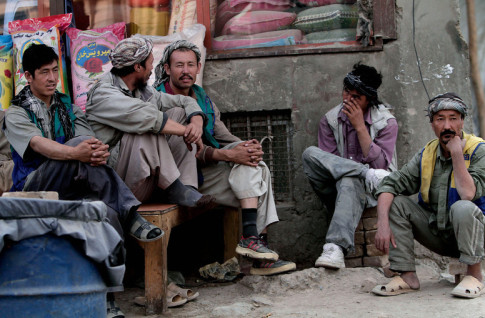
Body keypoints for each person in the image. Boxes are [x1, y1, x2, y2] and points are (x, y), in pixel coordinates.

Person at [3, 43, 164, 318]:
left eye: (55, 70)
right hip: (34, 185)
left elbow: (90, 140)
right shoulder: (16, 112)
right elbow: (39, 145)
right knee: (79, 145)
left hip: (74, 182)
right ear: (28, 76)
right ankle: (132, 213)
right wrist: (79, 151)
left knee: (105, 211)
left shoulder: (66, 106)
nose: (53, 78)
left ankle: (107, 298)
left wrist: (96, 150)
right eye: (44, 72)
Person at [152, 40, 296, 276]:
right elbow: (182, 153)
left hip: (203, 173)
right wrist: (228, 154)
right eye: (179, 65)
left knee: (256, 165)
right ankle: (256, 245)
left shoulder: (203, 99)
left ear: (199, 67)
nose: (185, 71)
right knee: (251, 169)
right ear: (167, 69)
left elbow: (223, 136)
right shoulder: (160, 100)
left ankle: (253, 241)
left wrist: (246, 148)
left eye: (190, 65)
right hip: (175, 179)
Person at [372, 93, 485, 298]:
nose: (447, 126)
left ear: (462, 122)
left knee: (462, 206)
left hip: (482, 238)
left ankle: (475, 275)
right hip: (442, 234)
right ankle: (407, 276)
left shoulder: (480, 151)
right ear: (432, 124)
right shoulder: (427, 154)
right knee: (398, 203)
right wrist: (383, 223)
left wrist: (457, 154)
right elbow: (390, 184)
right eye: (440, 119)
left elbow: (467, 194)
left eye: (453, 118)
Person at [86, 37, 214, 208]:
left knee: (178, 113)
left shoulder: (142, 89)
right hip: (117, 185)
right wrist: (186, 132)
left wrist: (196, 122)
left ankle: (185, 188)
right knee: (146, 128)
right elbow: (148, 118)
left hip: (144, 177)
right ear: (138, 66)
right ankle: (174, 188)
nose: (152, 69)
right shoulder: (103, 94)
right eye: (150, 63)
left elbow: (182, 101)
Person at [302, 63, 398, 269]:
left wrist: (360, 127)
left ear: (368, 100)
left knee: (349, 179)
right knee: (310, 154)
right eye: (346, 92)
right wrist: (364, 172)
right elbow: (331, 165)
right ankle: (364, 173)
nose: (347, 99)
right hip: (338, 190)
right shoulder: (330, 120)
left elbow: (381, 166)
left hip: (375, 190)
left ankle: (335, 248)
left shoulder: (386, 123)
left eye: (356, 98)